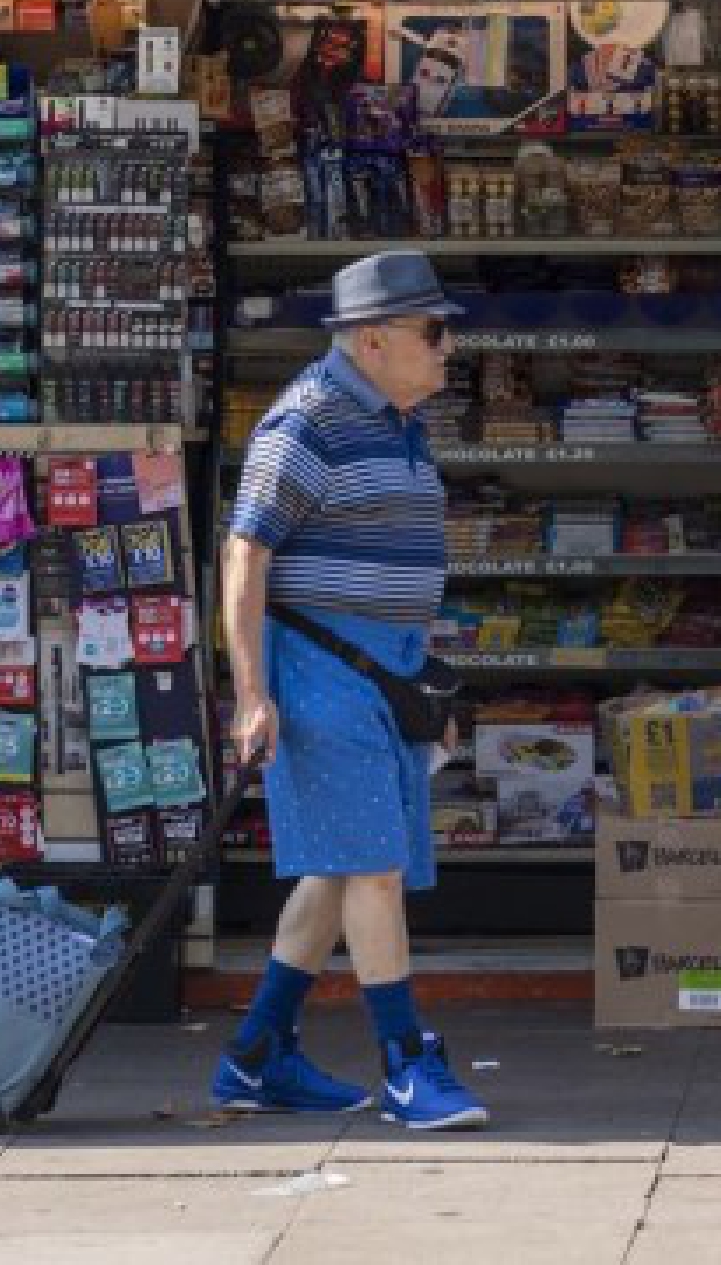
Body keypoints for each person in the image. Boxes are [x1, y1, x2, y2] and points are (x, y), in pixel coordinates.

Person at [214, 250, 489, 1131]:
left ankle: (256, 1055)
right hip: (322, 668)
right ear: (372, 339)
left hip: (381, 668)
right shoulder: (306, 423)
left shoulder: (395, 420)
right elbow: (243, 553)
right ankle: (408, 1064)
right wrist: (252, 690)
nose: (448, 351)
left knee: (337, 871)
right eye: (433, 333)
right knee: (374, 869)